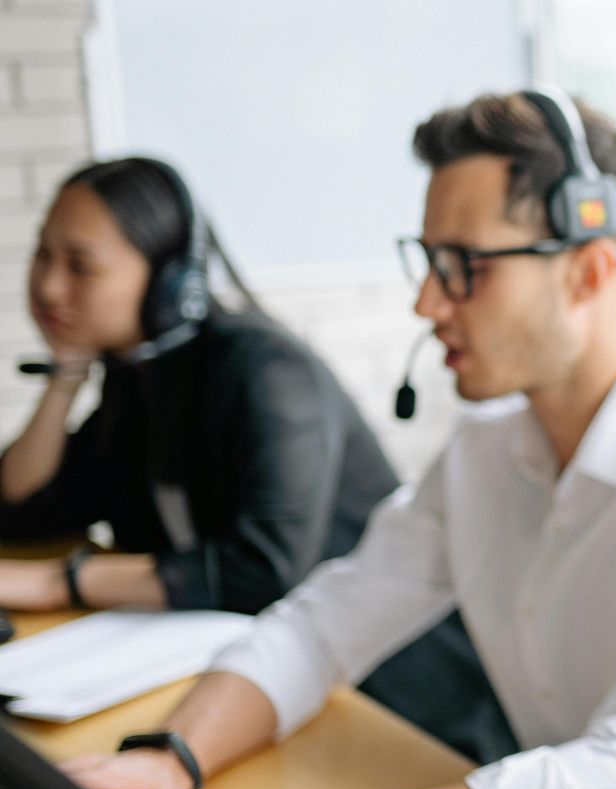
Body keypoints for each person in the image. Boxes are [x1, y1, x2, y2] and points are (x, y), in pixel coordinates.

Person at [61, 90, 616, 789]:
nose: (427, 304)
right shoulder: (486, 446)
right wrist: (172, 757)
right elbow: (325, 623)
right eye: (427, 262)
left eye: (465, 266)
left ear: (591, 269)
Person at [0, 157, 502, 754]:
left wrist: (62, 583)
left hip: (393, 696)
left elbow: (263, 569)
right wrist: (65, 376)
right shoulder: (136, 378)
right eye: (43, 256)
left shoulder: (266, 372)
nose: (50, 286)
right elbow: (23, 515)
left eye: (80, 265)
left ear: (169, 282)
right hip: (256, 683)